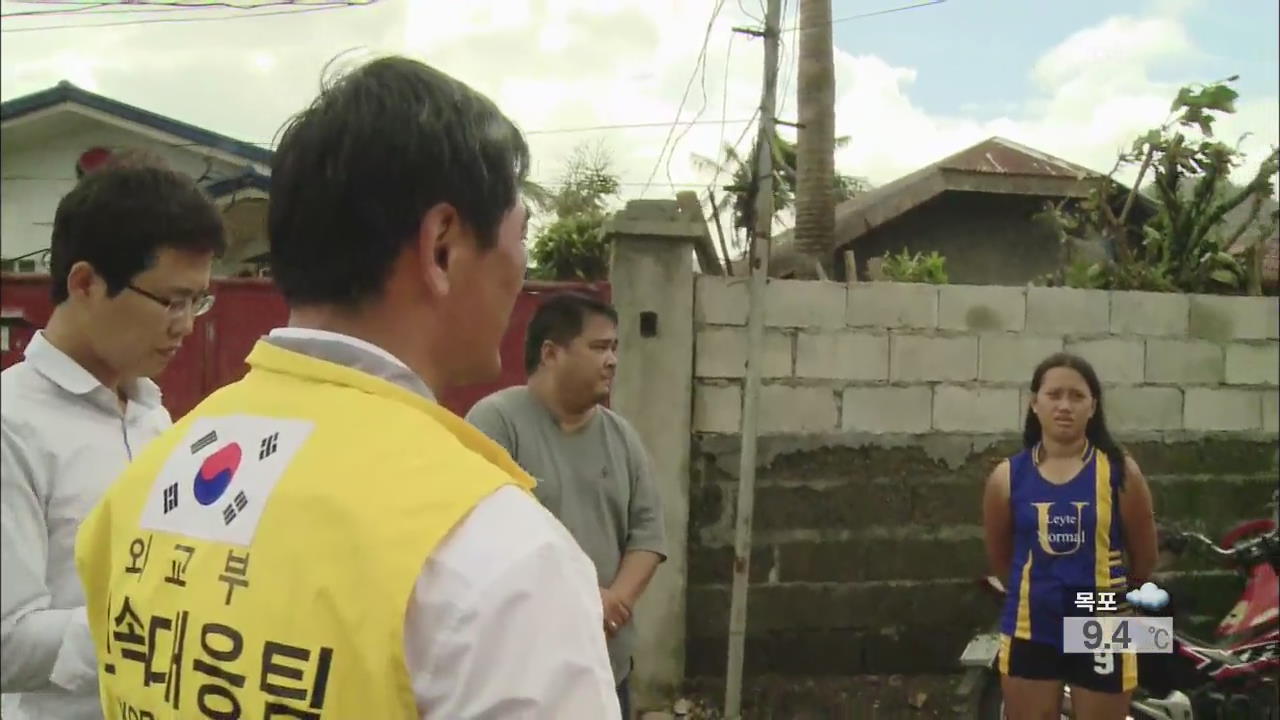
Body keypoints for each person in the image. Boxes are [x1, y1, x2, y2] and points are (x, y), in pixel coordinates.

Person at [73, 56, 619, 718]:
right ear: (442, 247)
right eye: (521, 232)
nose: (523, 267)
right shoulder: (500, 557)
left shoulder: (145, 483)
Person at [1, 152, 226, 719]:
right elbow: (8, 640)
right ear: (85, 282)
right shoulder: (12, 425)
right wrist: (166, 626)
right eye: (172, 300)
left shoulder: (152, 415)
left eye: (198, 300)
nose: (186, 324)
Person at [466, 292, 667, 718]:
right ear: (551, 353)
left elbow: (647, 533)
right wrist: (583, 600)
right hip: (521, 672)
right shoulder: (496, 422)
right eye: (599, 348)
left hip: (605, 667)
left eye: (615, 348)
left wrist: (611, 606)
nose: (612, 360)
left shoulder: (622, 437)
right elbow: (485, 536)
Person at [982, 352, 1159, 720]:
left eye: (1077, 396)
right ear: (1034, 403)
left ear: (1093, 407)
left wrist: (1106, 596)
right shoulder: (1007, 477)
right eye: (1054, 394)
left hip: (1102, 617)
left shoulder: (1120, 472)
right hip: (1032, 619)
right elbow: (1002, 562)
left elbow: (1144, 562)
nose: (1065, 405)